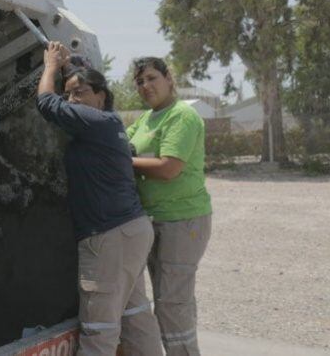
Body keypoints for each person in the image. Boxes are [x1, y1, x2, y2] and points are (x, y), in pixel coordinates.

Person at [36, 42, 163, 356]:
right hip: (130, 233)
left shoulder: (95, 124)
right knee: (135, 318)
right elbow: (75, 91)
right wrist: (71, 68)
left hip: (108, 238)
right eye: (69, 93)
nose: (72, 100)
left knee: (99, 333)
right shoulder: (108, 125)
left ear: (102, 97)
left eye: (79, 93)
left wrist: (51, 65)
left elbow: (46, 103)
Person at [126, 56, 212, 356]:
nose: (146, 86)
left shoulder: (181, 116)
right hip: (153, 219)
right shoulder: (146, 119)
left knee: (172, 304)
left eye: (152, 78)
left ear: (168, 78)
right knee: (168, 300)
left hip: (182, 220)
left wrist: (122, 161)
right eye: (140, 82)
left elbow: (168, 168)